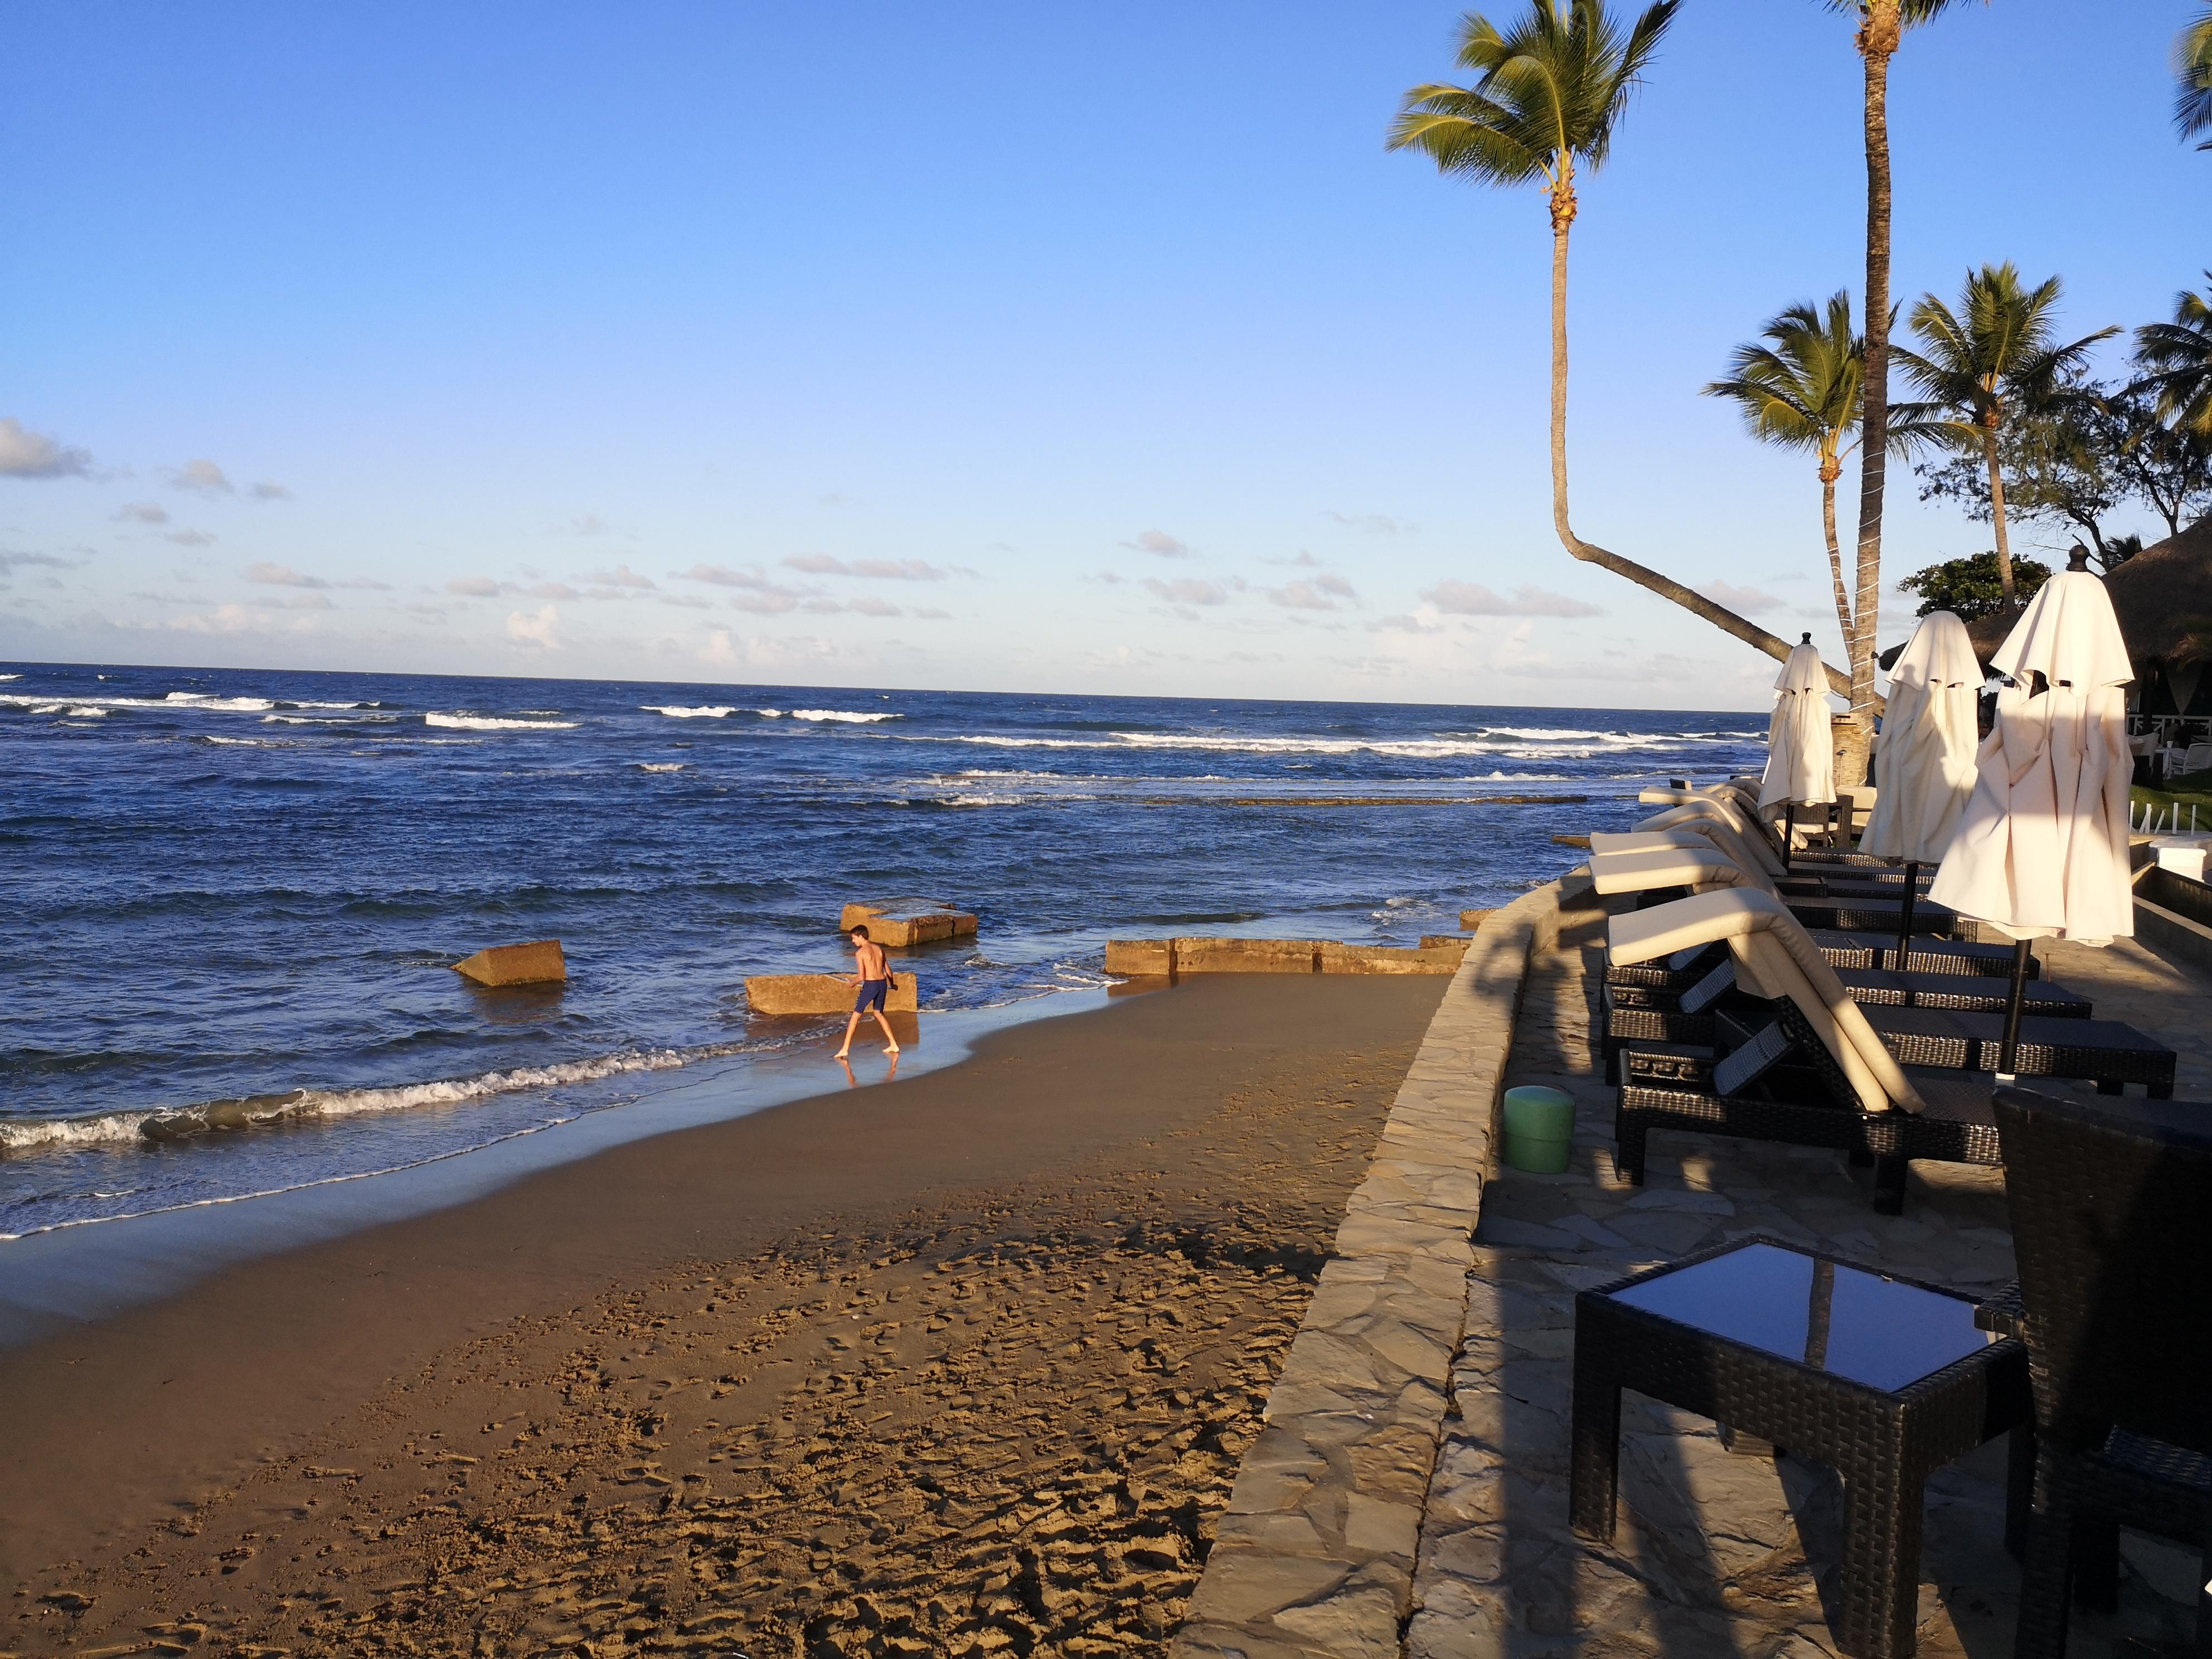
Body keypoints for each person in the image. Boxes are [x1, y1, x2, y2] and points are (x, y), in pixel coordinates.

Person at [835, 924, 901, 1059]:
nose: (853, 941)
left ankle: (845, 1049)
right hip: (882, 984)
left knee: (856, 1016)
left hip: (871, 986)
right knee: (878, 1013)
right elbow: (888, 970)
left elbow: (862, 976)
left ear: (861, 936)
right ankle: (893, 1044)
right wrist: (892, 984)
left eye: (854, 938)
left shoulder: (860, 953)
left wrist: (852, 983)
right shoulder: (879, 949)